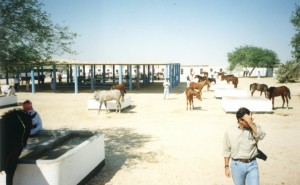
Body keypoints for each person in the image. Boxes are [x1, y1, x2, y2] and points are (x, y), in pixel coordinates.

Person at [223, 107, 266, 185]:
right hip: (237, 166)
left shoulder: (253, 127)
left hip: (252, 165)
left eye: (251, 120)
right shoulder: (230, 132)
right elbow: (226, 150)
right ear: (240, 120)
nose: (250, 122)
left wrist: (250, 123)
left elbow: (261, 136)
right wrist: (226, 167)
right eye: (247, 121)